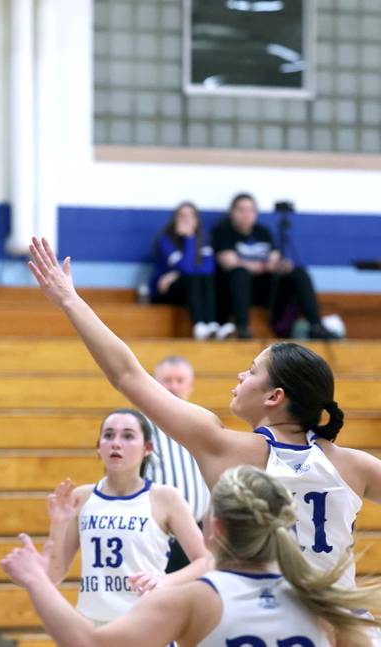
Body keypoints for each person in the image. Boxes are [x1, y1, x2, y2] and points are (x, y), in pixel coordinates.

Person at [27, 235, 381, 590]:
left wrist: (70, 301)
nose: (242, 376)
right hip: (341, 624)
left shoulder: (223, 447)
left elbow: (126, 375)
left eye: (252, 370)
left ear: (274, 397)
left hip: (267, 626)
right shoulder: (357, 464)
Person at [2, 465, 381, 646]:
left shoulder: (194, 598)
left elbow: (91, 644)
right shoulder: (322, 600)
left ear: (214, 527)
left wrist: (37, 582)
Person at [46, 408, 211, 625]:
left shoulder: (165, 497)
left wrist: (164, 581)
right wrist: (57, 526)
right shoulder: (81, 497)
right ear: (99, 447)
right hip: (93, 628)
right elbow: (54, 575)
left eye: (128, 436)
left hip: (147, 625)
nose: (116, 443)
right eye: (108, 435)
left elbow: (205, 561)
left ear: (147, 448)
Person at [211, 193, 334, 339]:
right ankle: (242, 329)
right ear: (232, 212)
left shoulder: (263, 232)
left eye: (250, 210)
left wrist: (282, 266)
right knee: (240, 273)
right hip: (235, 290)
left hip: (265, 288)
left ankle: (316, 326)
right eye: (241, 210)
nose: (246, 214)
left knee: (298, 273)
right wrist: (263, 266)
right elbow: (229, 262)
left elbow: (274, 259)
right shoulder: (222, 231)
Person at [145, 356, 209, 573]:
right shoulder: (140, 428)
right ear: (154, 383)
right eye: (167, 380)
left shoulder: (204, 424)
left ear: (190, 386)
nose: (173, 386)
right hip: (156, 533)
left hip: (199, 531)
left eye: (180, 380)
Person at [150, 202, 233, 340]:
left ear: (196, 220)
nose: (186, 220)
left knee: (214, 279)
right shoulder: (166, 241)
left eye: (190, 216)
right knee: (193, 278)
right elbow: (187, 268)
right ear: (175, 219)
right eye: (182, 216)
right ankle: (199, 325)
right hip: (165, 290)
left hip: (192, 286)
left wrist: (176, 274)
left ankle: (214, 324)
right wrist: (189, 238)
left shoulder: (203, 239)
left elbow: (209, 269)